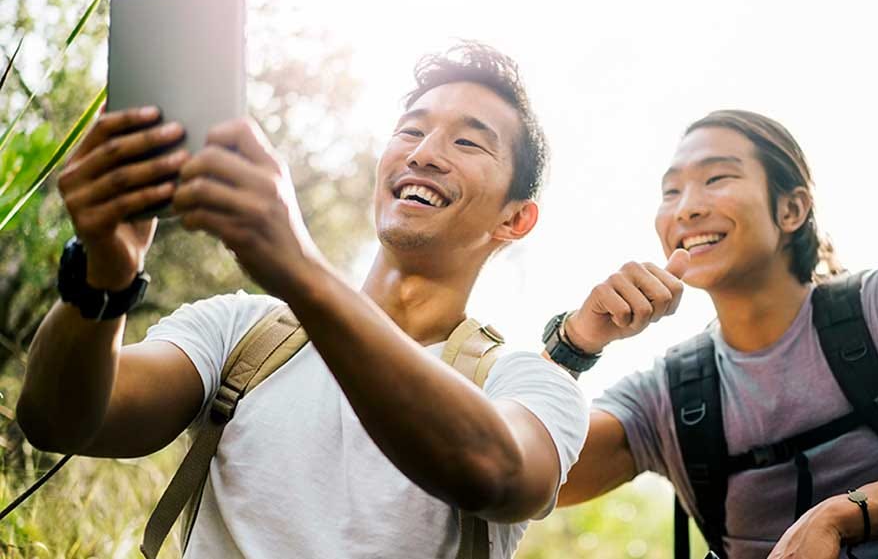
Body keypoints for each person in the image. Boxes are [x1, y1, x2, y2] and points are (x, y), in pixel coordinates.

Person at [17, 42, 588, 558]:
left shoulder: (531, 386)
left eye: (467, 142)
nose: (425, 153)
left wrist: (295, 265)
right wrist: (103, 278)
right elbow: (59, 422)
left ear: (515, 219)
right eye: (410, 132)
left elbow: (498, 475)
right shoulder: (241, 330)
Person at [540, 110, 878, 559]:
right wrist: (578, 341)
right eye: (670, 190)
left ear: (792, 209)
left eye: (717, 178)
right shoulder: (669, 394)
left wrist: (840, 514)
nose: (687, 207)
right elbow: (528, 472)